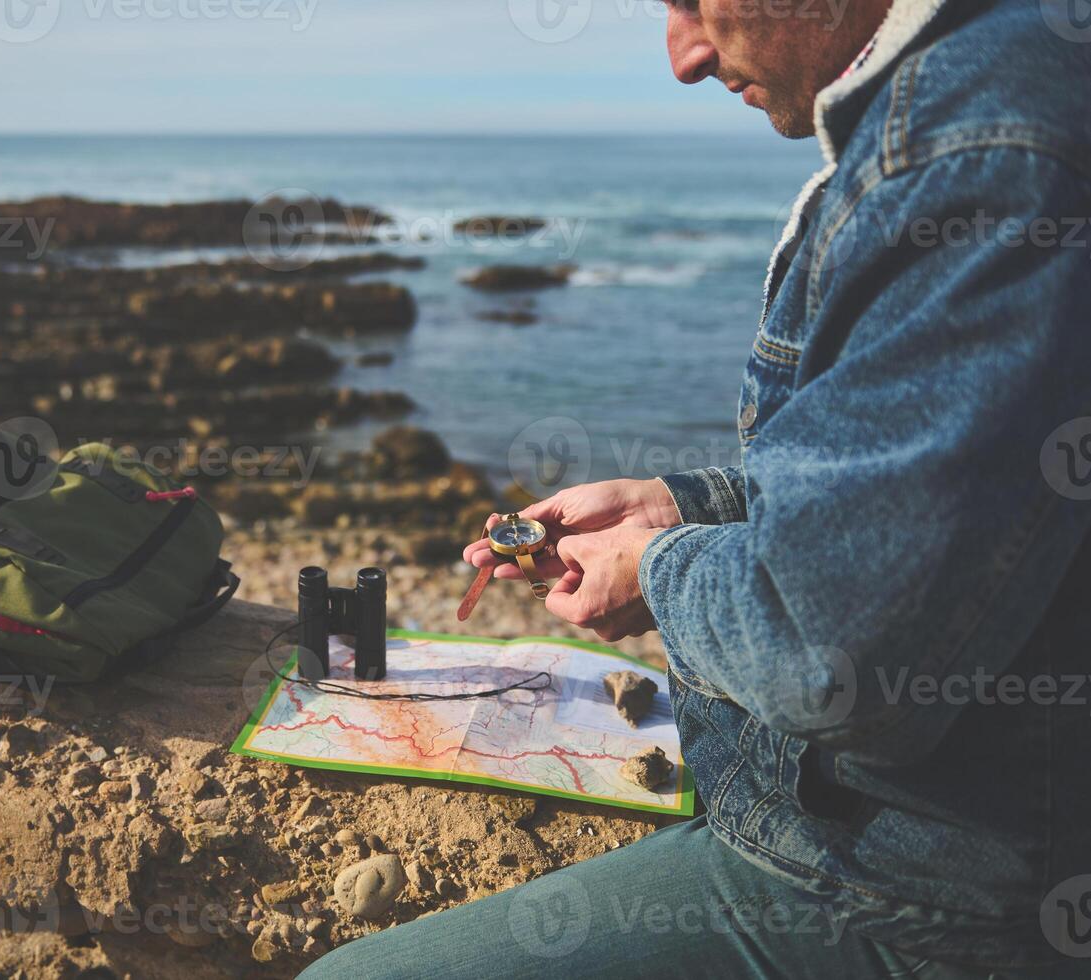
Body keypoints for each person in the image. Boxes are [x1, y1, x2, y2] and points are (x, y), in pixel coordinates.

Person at [300, 0, 1091, 975]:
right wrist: (676, 505)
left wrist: (656, 566)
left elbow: (828, 648)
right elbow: (937, 495)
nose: (683, 57)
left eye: (693, 0)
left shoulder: (976, 156)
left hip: (917, 888)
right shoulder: (1009, 81)